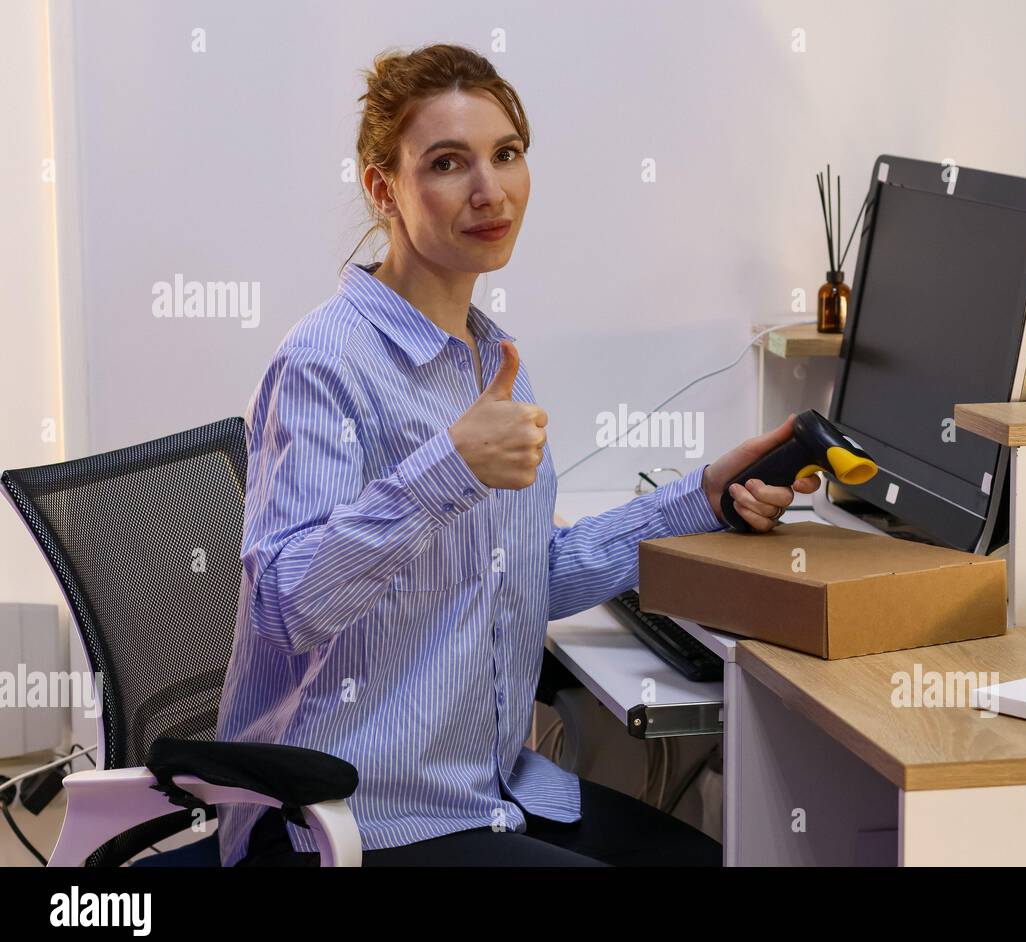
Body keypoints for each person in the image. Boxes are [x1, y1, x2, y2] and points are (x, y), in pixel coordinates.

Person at [216, 42, 820, 867]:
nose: (489, 191)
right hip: (350, 821)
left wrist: (703, 498)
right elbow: (286, 605)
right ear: (382, 187)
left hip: (484, 790)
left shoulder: (487, 356)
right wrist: (448, 471)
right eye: (447, 163)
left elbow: (525, 572)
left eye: (506, 155)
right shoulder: (325, 362)